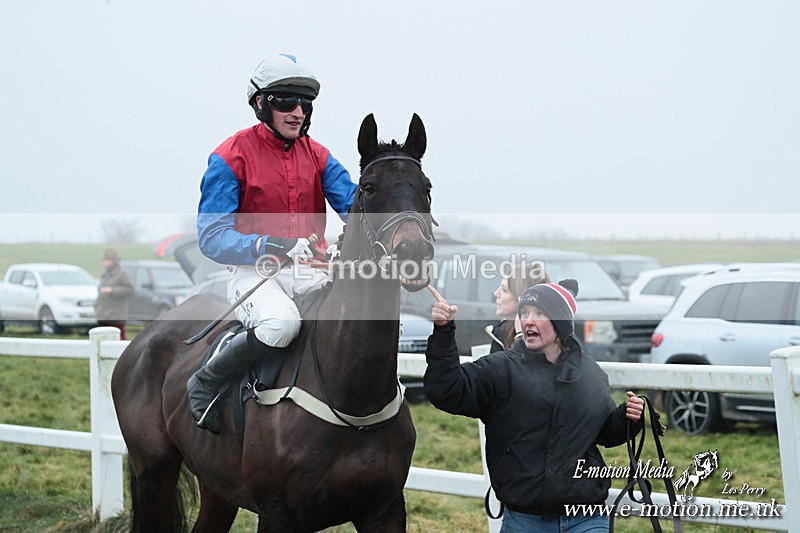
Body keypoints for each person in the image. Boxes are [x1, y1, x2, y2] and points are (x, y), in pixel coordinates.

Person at [188, 53, 357, 433]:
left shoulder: (319, 156)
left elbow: (354, 206)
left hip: (311, 271)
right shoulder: (228, 157)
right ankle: (206, 381)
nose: (298, 112)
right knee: (282, 325)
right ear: (261, 104)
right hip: (254, 274)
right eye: (286, 102)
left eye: (305, 103)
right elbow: (211, 238)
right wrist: (274, 245)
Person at [425, 280, 645, 532]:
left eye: (540, 313)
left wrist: (627, 417)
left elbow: (602, 432)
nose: (529, 320)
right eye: (525, 313)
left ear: (561, 323)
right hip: (524, 519)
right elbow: (447, 390)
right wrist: (443, 332)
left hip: (587, 515)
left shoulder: (590, 372)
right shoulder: (501, 369)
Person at [487, 263, 550, 352]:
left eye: (504, 290)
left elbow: (525, 364)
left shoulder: (550, 338)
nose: (496, 293)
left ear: (521, 297)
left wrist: (520, 337)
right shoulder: (501, 332)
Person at [95, 249, 134, 340]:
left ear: (114, 261)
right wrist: (96, 307)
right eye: (104, 260)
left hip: (116, 315)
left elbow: (130, 290)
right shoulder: (104, 274)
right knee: (102, 339)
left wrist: (112, 290)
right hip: (103, 315)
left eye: (107, 260)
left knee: (119, 339)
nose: (104, 262)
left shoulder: (123, 274)